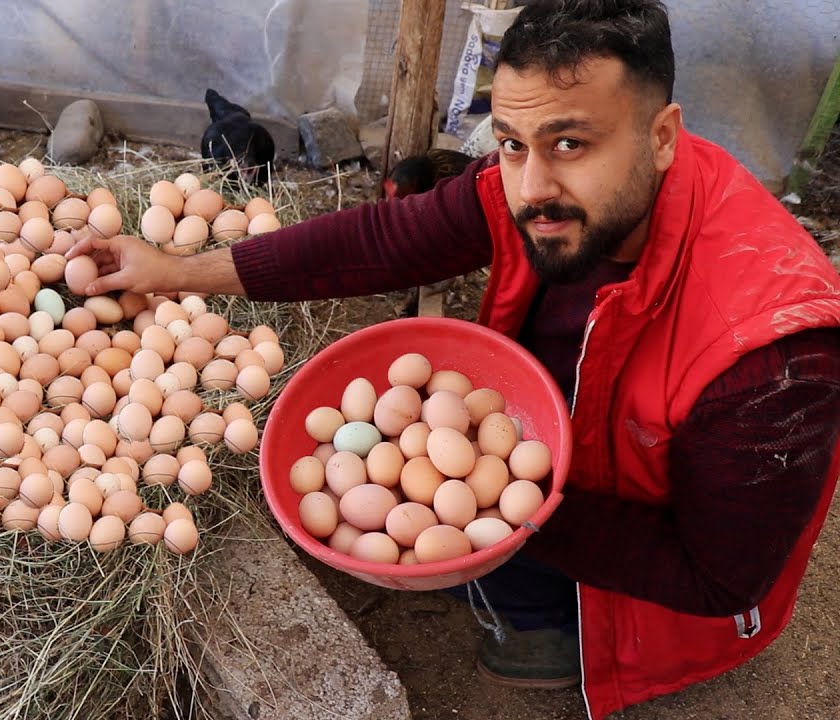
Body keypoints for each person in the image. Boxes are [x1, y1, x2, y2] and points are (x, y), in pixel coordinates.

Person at [64, 1, 840, 716]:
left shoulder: (772, 361)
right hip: (539, 445)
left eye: (571, 143)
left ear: (662, 136)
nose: (532, 187)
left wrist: (506, 514)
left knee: (506, 570)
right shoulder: (545, 188)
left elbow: (719, 578)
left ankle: (548, 635)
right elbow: (383, 242)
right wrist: (175, 268)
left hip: (651, 575)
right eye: (510, 144)